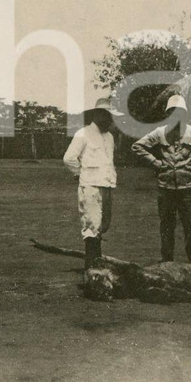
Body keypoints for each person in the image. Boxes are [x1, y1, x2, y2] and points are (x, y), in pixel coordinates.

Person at [132, 94, 191, 262]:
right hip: (166, 187)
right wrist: (156, 162)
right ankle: (167, 262)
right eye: (172, 112)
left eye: (179, 112)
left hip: (188, 186)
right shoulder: (160, 133)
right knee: (166, 226)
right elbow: (137, 146)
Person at [63, 97, 123, 269]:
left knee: (103, 225)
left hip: (107, 185)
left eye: (111, 116)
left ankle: (97, 263)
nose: (109, 120)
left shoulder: (110, 137)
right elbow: (69, 158)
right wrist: (78, 174)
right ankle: (92, 267)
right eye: (106, 115)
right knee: (92, 225)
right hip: (90, 186)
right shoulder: (83, 133)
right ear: (97, 115)